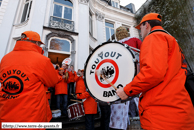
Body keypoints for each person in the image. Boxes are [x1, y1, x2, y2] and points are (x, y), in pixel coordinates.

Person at [116, 13, 194, 129]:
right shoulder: (170, 40)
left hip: (162, 117)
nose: (140, 33)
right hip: (178, 111)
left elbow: (152, 73)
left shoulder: (153, 37)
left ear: (146, 25)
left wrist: (127, 90)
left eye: (140, 28)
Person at [0, 31, 59, 125]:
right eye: (39, 44)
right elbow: (53, 81)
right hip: (31, 115)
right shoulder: (42, 60)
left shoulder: (5, 58)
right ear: (36, 43)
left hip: (5, 114)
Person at [109, 26, 142, 130]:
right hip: (134, 77)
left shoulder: (114, 45)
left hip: (119, 79)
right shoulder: (135, 40)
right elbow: (144, 53)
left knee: (121, 103)